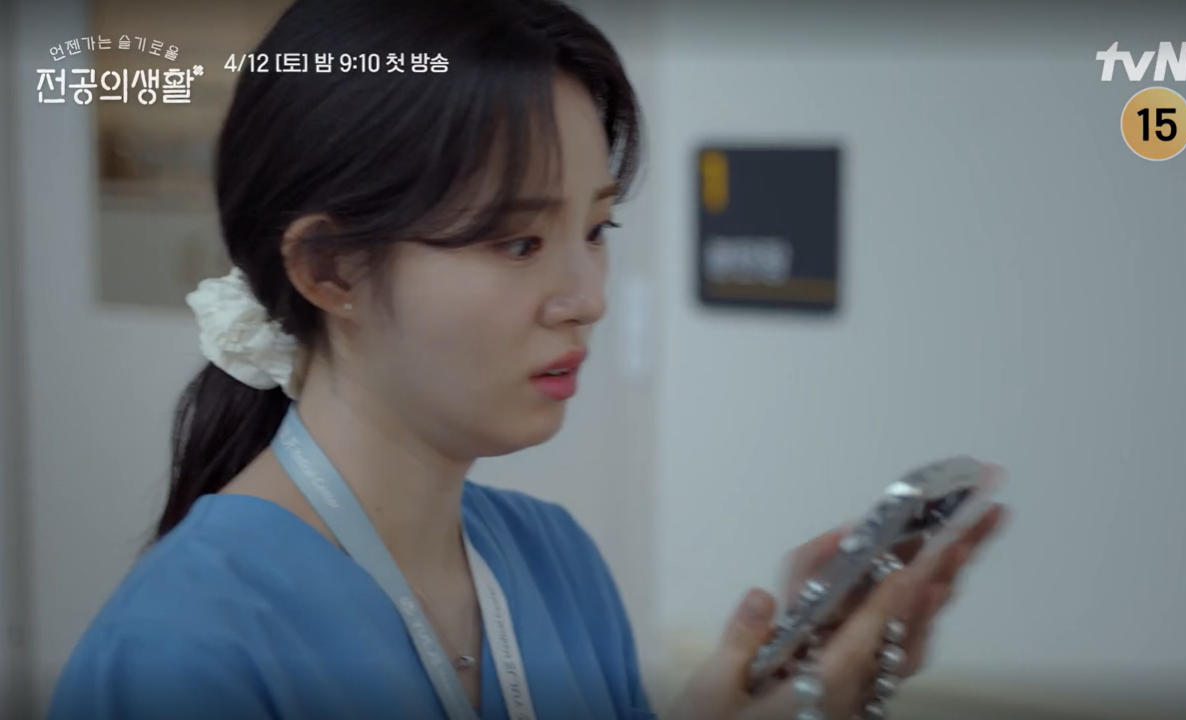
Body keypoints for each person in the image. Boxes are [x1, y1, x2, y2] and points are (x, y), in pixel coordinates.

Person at [46, 1, 1006, 719]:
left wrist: (760, 693)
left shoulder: (557, 564)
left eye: (596, 229)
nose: (586, 296)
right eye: (517, 242)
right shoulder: (182, 651)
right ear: (329, 269)